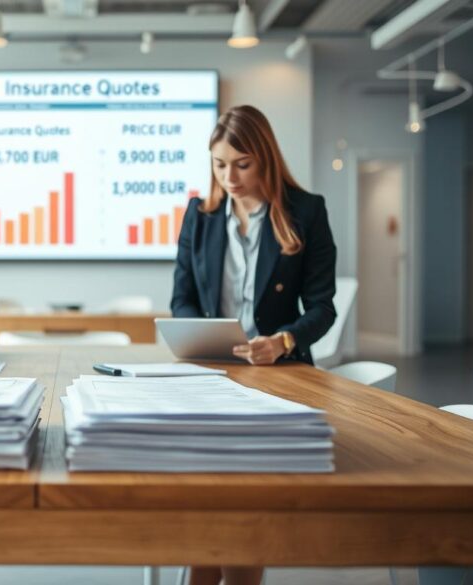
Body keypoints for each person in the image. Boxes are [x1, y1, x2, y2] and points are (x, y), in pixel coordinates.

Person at [171, 105, 337, 585]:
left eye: (242, 164)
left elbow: (323, 308)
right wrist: (195, 337)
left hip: (279, 376)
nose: (230, 176)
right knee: (206, 499)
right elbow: (182, 298)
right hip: (210, 375)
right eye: (220, 165)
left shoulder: (306, 212)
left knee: (245, 503)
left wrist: (283, 340)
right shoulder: (200, 216)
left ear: (264, 158)